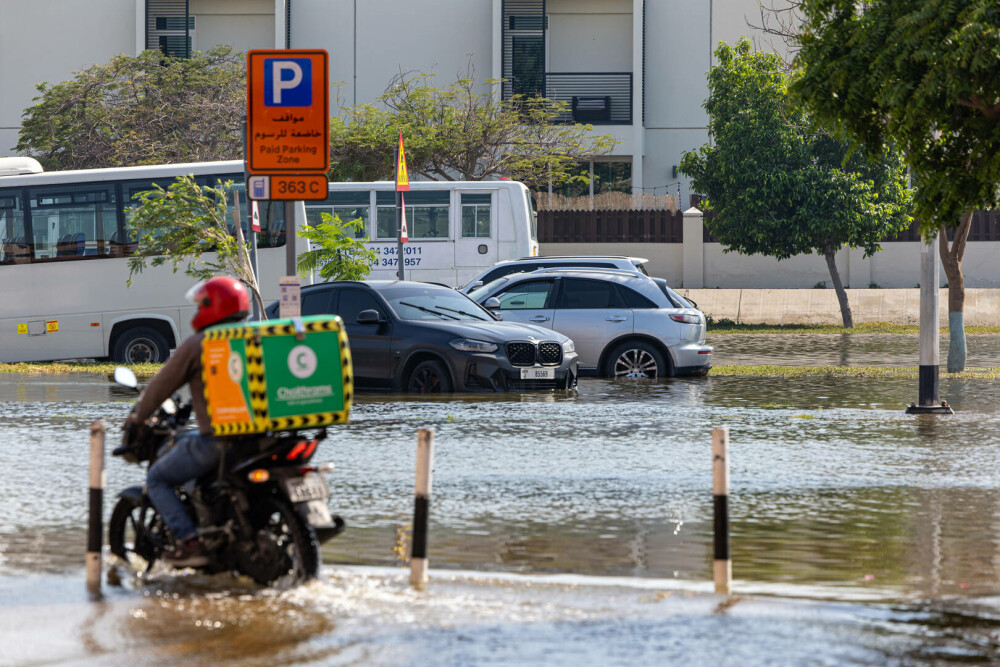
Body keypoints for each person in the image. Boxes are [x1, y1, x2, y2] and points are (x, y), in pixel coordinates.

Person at [124, 276, 250, 567]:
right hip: (264, 436)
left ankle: (190, 542)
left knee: (157, 478)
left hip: (220, 441)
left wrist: (137, 417)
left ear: (211, 307)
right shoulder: (258, 337)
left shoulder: (199, 344)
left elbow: (160, 386)